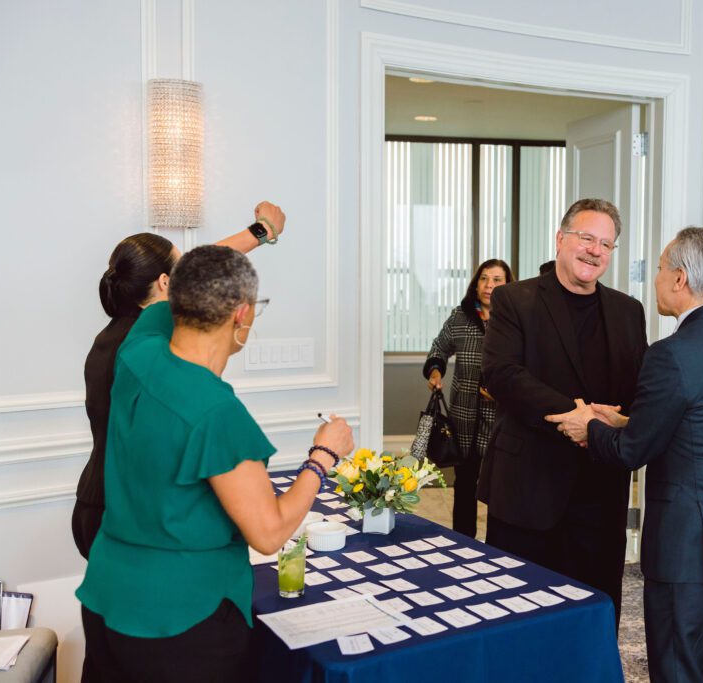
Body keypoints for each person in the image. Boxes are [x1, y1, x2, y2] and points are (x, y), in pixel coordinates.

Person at [76, 245, 355, 683]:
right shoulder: (215, 412)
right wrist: (324, 456)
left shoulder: (137, 354)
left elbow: (176, 289)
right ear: (241, 315)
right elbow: (269, 532)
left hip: (108, 595)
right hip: (181, 622)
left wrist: (253, 236)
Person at [547, 227, 703, 683]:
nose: (657, 278)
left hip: (686, 542)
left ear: (681, 279)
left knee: (677, 663)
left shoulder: (671, 354)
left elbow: (631, 454)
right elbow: (698, 423)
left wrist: (585, 425)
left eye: (662, 268)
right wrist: (627, 419)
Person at [72, 203, 286, 559]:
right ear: (165, 283)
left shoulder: (109, 336)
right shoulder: (154, 337)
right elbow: (207, 269)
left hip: (93, 500)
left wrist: (261, 232)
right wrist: (261, 232)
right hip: (126, 512)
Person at [479, 198, 648, 622]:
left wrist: (620, 421)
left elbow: (639, 387)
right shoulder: (514, 300)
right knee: (518, 614)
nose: (595, 251)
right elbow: (501, 375)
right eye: (586, 238)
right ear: (560, 238)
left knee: (594, 611)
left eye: (606, 245)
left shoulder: (629, 311)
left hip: (602, 490)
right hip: (529, 489)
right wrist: (575, 415)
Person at [423, 258, 515, 537]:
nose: (489, 286)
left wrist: (503, 390)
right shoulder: (461, 317)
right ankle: (463, 543)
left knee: (502, 492)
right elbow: (439, 347)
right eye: (484, 279)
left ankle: (499, 549)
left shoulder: (516, 319)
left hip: (500, 422)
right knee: (464, 488)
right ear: (475, 284)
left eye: (497, 280)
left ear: (508, 284)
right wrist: (436, 371)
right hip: (463, 423)